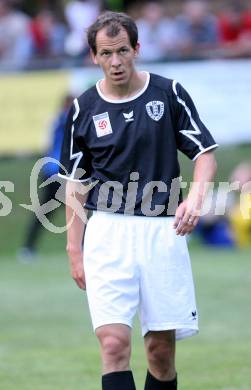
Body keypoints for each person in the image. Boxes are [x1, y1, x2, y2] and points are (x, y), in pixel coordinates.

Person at [58, 11, 218, 390]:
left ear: (137, 49)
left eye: (123, 51)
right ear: (94, 57)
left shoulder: (168, 93)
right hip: (107, 233)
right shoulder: (83, 108)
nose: (116, 62)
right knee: (113, 345)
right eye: (106, 53)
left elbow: (205, 154)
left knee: (159, 352)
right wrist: (74, 250)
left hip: (162, 232)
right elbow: (76, 184)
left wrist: (195, 199)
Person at [19, 94, 73, 260]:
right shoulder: (63, 119)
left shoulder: (57, 119)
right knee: (75, 210)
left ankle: (28, 248)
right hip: (57, 172)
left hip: (58, 172)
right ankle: (28, 248)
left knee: (72, 211)